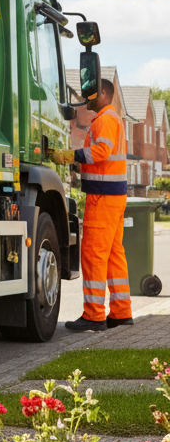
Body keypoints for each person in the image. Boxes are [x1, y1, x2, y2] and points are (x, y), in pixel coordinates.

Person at [51, 79, 132, 331]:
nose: (87, 99)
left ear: (105, 93)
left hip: (102, 197)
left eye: (92, 94)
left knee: (94, 254)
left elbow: (100, 152)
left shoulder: (106, 119)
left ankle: (94, 315)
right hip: (113, 196)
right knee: (113, 254)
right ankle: (120, 312)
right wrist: (77, 161)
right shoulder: (112, 119)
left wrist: (70, 156)